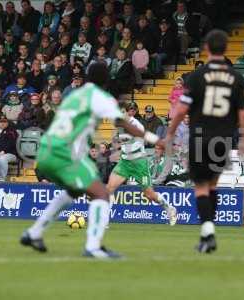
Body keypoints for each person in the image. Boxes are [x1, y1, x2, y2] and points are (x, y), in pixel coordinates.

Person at [20, 63, 164, 259]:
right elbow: (121, 122)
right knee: (102, 194)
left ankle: (34, 233)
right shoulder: (101, 97)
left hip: (45, 150)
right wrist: (154, 138)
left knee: (73, 191)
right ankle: (93, 247)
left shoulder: (74, 95)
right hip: (65, 152)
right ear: (106, 80)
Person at [164, 30, 244, 253]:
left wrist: (170, 134)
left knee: (201, 187)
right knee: (212, 185)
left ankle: (208, 233)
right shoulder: (236, 78)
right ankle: (206, 237)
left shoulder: (197, 76)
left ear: (207, 48)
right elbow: (243, 115)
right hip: (223, 139)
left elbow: (181, 110)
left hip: (201, 136)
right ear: (226, 49)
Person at [106, 102, 177, 226]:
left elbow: (126, 139)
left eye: (123, 112)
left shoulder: (136, 125)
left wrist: (117, 141)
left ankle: (169, 208)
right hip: (125, 161)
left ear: (128, 112)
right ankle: (104, 220)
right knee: (109, 189)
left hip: (139, 162)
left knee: (149, 194)